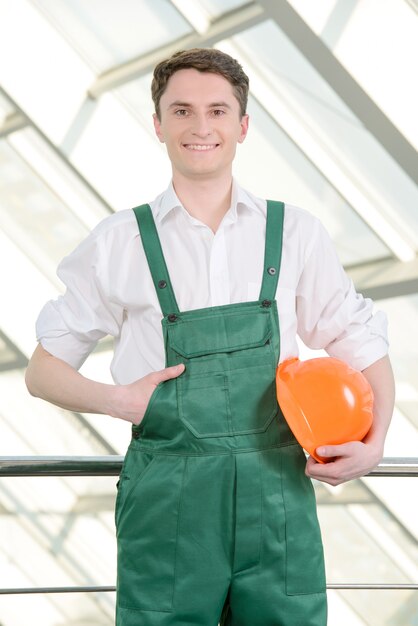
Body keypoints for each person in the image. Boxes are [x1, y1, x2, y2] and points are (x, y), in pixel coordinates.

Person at [26, 48, 395, 626]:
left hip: (277, 500)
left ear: (242, 126)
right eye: (182, 111)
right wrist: (118, 400)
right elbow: (41, 371)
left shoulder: (295, 232)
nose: (201, 127)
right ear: (158, 125)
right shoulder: (119, 242)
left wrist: (375, 443)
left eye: (218, 111)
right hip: (167, 499)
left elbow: (360, 338)